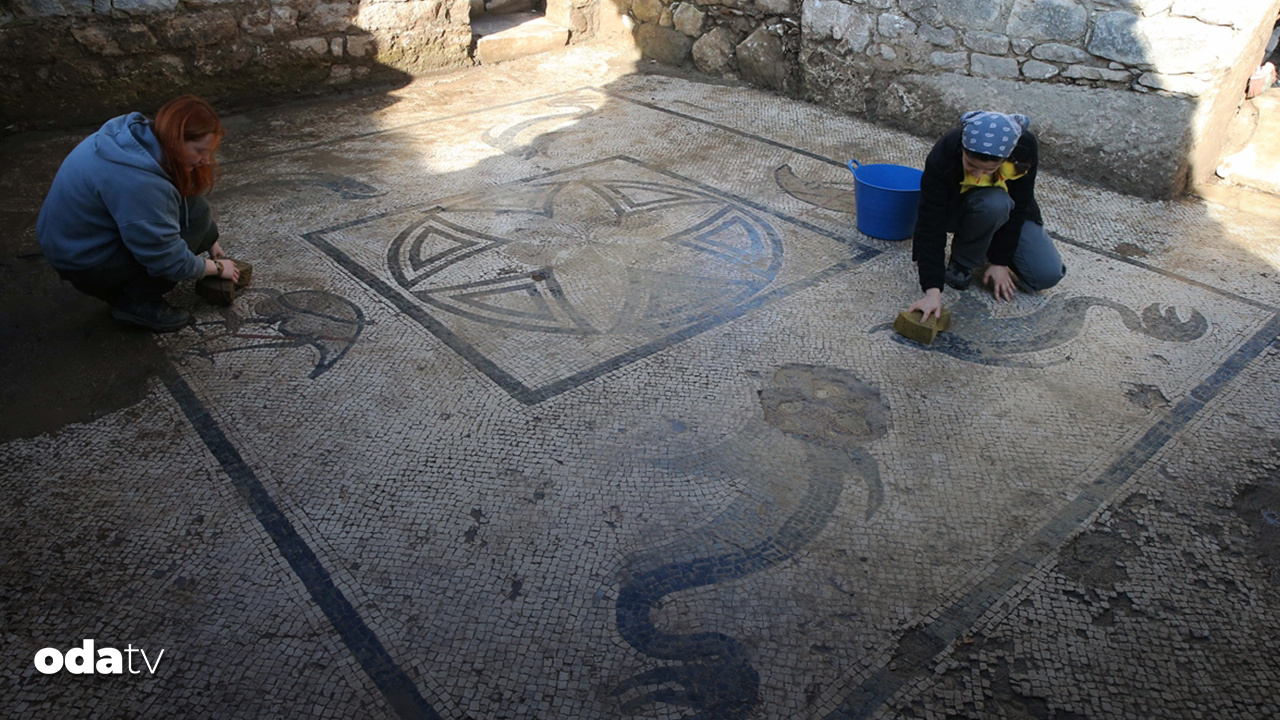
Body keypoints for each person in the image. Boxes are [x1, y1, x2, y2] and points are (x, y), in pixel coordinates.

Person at [37, 94, 241, 332]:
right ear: (175, 140)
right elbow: (166, 259)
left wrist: (211, 239)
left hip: (68, 240)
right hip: (83, 261)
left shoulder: (136, 138)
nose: (205, 160)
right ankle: (135, 303)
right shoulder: (141, 183)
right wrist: (214, 268)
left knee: (199, 221)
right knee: (174, 246)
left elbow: (186, 198)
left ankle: (137, 283)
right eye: (199, 151)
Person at [908, 110, 1065, 322]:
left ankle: (988, 243)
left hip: (1007, 211)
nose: (978, 174)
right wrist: (932, 291)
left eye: (989, 169)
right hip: (962, 208)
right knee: (993, 203)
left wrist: (1000, 261)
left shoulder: (1024, 148)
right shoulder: (945, 151)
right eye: (971, 165)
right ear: (963, 149)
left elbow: (1020, 206)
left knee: (1046, 275)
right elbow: (930, 223)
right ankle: (962, 261)